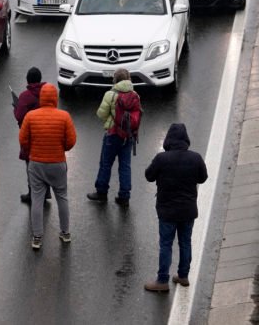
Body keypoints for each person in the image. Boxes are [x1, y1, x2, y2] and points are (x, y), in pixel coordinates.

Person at [144, 123, 208, 292]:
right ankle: (183, 276)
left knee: (166, 244)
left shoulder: (162, 159)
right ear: (186, 139)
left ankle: (162, 280)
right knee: (185, 242)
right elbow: (203, 178)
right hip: (188, 210)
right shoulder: (196, 158)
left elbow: (148, 176)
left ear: (169, 139)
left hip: (167, 211)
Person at [19, 84, 76, 249]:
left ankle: (37, 237)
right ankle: (65, 233)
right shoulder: (64, 116)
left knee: (37, 199)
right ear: (55, 98)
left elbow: (23, 139)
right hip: (57, 163)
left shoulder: (31, 116)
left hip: (36, 164)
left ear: (41, 98)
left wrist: (32, 150)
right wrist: (61, 148)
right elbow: (71, 141)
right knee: (62, 197)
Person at [87, 68, 140, 207]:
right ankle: (124, 196)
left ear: (115, 79)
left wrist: (112, 116)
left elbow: (101, 114)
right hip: (128, 136)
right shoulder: (135, 95)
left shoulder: (110, 95)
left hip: (112, 134)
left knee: (106, 164)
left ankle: (102, 193)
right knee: (125, 166)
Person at [13, 67, 51, 204]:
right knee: (44, 163)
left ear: (28, 80)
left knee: (31, 166)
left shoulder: (25, 96)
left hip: (31, 137)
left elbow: (19, 116)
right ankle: (46, 191)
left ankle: (33, 193)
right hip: (46, 134)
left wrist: (15, 107)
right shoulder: (47, 93)